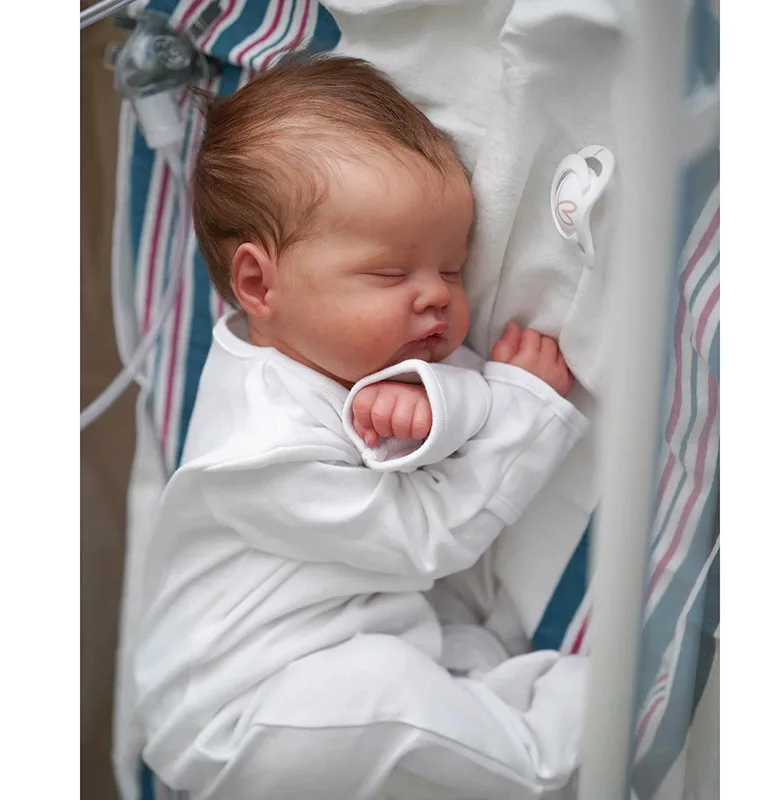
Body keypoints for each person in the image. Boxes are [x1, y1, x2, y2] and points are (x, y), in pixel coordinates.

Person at [134, 54, 590, 800]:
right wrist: (526, 410)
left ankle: (505, 706)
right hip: (240, 714)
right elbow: (425, 536)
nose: (435, 298)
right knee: (386, 694)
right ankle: (564, 744)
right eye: (390, 274)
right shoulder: (259, 450)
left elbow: (451, 396)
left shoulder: (333, 353)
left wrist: (433, 398)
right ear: (258, 284)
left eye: (451, 269)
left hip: (357, 642)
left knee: (458, 653)